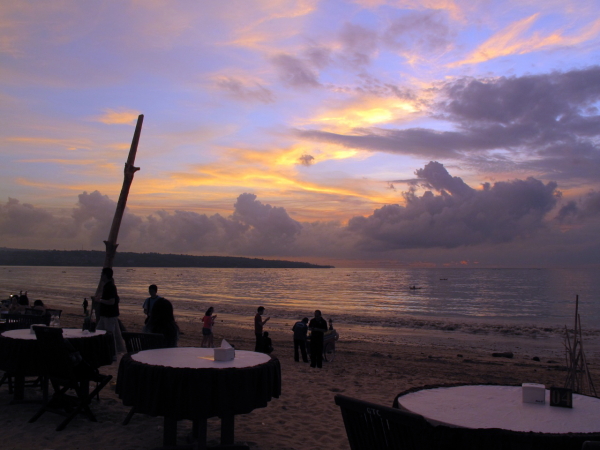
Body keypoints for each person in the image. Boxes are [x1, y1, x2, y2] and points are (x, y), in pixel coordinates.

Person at [93, 267, 126, 358]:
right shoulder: (107, 286)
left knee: (110, 335)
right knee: (99, 332)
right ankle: (104, 352)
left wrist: (100, 300)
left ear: (105, 275)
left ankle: (113, 355)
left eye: (102, 275)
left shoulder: (111, 287)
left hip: (109, 315)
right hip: (105, 315)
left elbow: (112, 301)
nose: (101, 276)